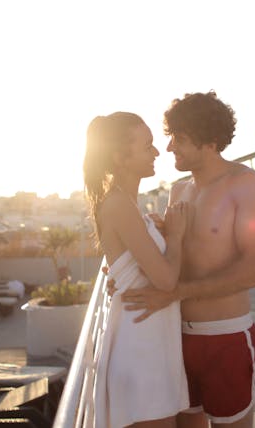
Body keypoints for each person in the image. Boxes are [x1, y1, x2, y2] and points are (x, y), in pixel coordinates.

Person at [120, 92, 255, 428]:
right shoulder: (178, 191)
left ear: (209, 141)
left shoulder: (245, 184)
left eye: (180, 138)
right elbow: (174, 257)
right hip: (176, 337)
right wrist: (131, 264)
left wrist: (175, 293)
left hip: (225, 339)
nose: (170, 147)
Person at [83, 111, 190, 428]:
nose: (157, 152)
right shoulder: (118, 204)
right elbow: (166, 279)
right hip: (141, 355)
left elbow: (130, 264)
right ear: (120, 157)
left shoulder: (129, 204)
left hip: (150, 349)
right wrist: (176, 236)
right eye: (147, 146)